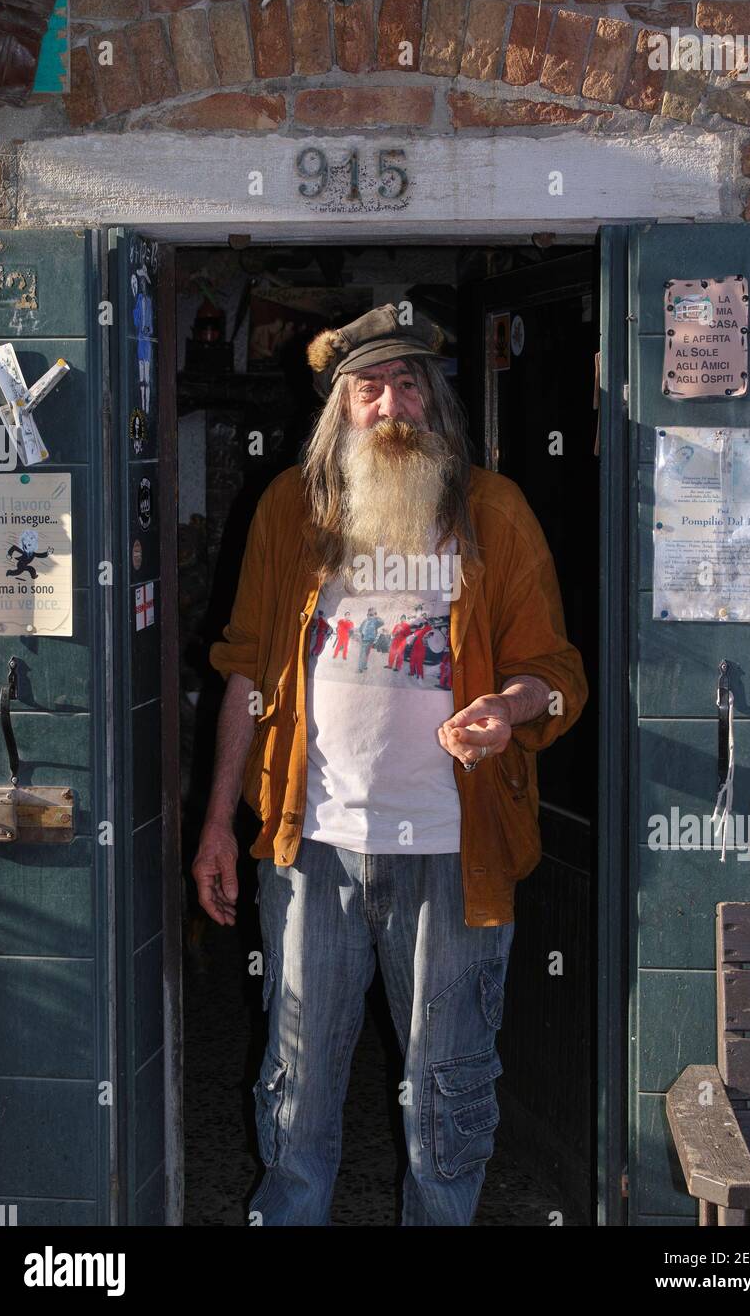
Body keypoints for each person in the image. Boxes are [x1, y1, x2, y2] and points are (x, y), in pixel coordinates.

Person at [192, 302, 588, 1227]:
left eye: (411, 382)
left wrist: (509, 707)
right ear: (339, 407)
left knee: (448, 1100)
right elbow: (246, 668)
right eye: (369, 385)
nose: (392, 403)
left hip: (457, 856)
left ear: (437, 402)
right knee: (294, 1091)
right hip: (309, 847)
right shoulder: (290, 510)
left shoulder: (495, 511)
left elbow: (556, 670)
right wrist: (217, 821)